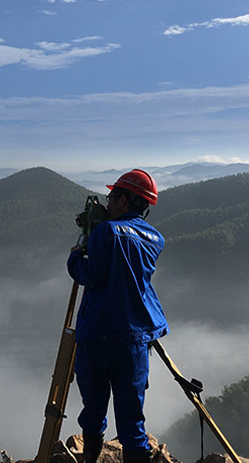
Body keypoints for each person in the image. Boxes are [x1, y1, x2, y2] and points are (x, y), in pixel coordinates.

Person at [66, 169, 168, 463]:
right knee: (132, 416)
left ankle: (90, 457)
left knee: (94, 408)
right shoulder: (156, 238)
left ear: (123, 200)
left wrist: (76, 256)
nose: (108, 203)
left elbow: (91, 275)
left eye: (112, 197)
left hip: (99, 332)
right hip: (136, 337)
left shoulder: (106, 231)